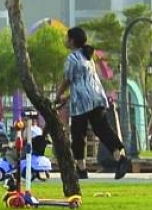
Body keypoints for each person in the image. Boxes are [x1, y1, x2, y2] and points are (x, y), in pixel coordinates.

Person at [55, 25, 129, 180]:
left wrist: (57, 96)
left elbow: (68, 80)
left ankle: (81, 168)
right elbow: (83, 83)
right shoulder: (87, 57)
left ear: (72, 41)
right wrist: (67, 98)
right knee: (102, 130)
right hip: (96, 98)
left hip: (82, 103)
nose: (65, 40)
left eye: (67, 38)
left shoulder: (72, 58)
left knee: (78, 134)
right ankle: (120, 158)